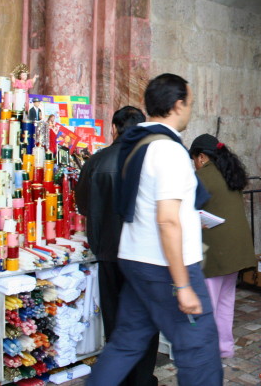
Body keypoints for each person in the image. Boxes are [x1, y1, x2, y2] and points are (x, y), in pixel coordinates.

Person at [86, 73, 222, 386]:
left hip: (136, 260)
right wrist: (183, 285)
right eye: (189, 102)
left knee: (125, 343)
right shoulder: (170, 151)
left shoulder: (137, 144)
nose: (190, 109)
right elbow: (167, 219)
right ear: (177, 104)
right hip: (167, 268)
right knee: (199, 349)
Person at [75, 106, 159, 386]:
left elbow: (84, 205)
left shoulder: (97, 161)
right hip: (144, 256)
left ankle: (121, 379)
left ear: (114, 128)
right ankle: (143, 379)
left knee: (114, 320)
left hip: (109, 253)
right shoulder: (152, 163)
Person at [189, 133, 257, 358]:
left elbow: (187, 210)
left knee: (208, 303)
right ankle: (224, 347)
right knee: (226, 300)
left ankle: (207, 350)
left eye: (194, 161)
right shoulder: (230, 172)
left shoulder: (203, 177)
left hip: (216, 251)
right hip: (236, 249)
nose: (194, 165)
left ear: (201, 157)